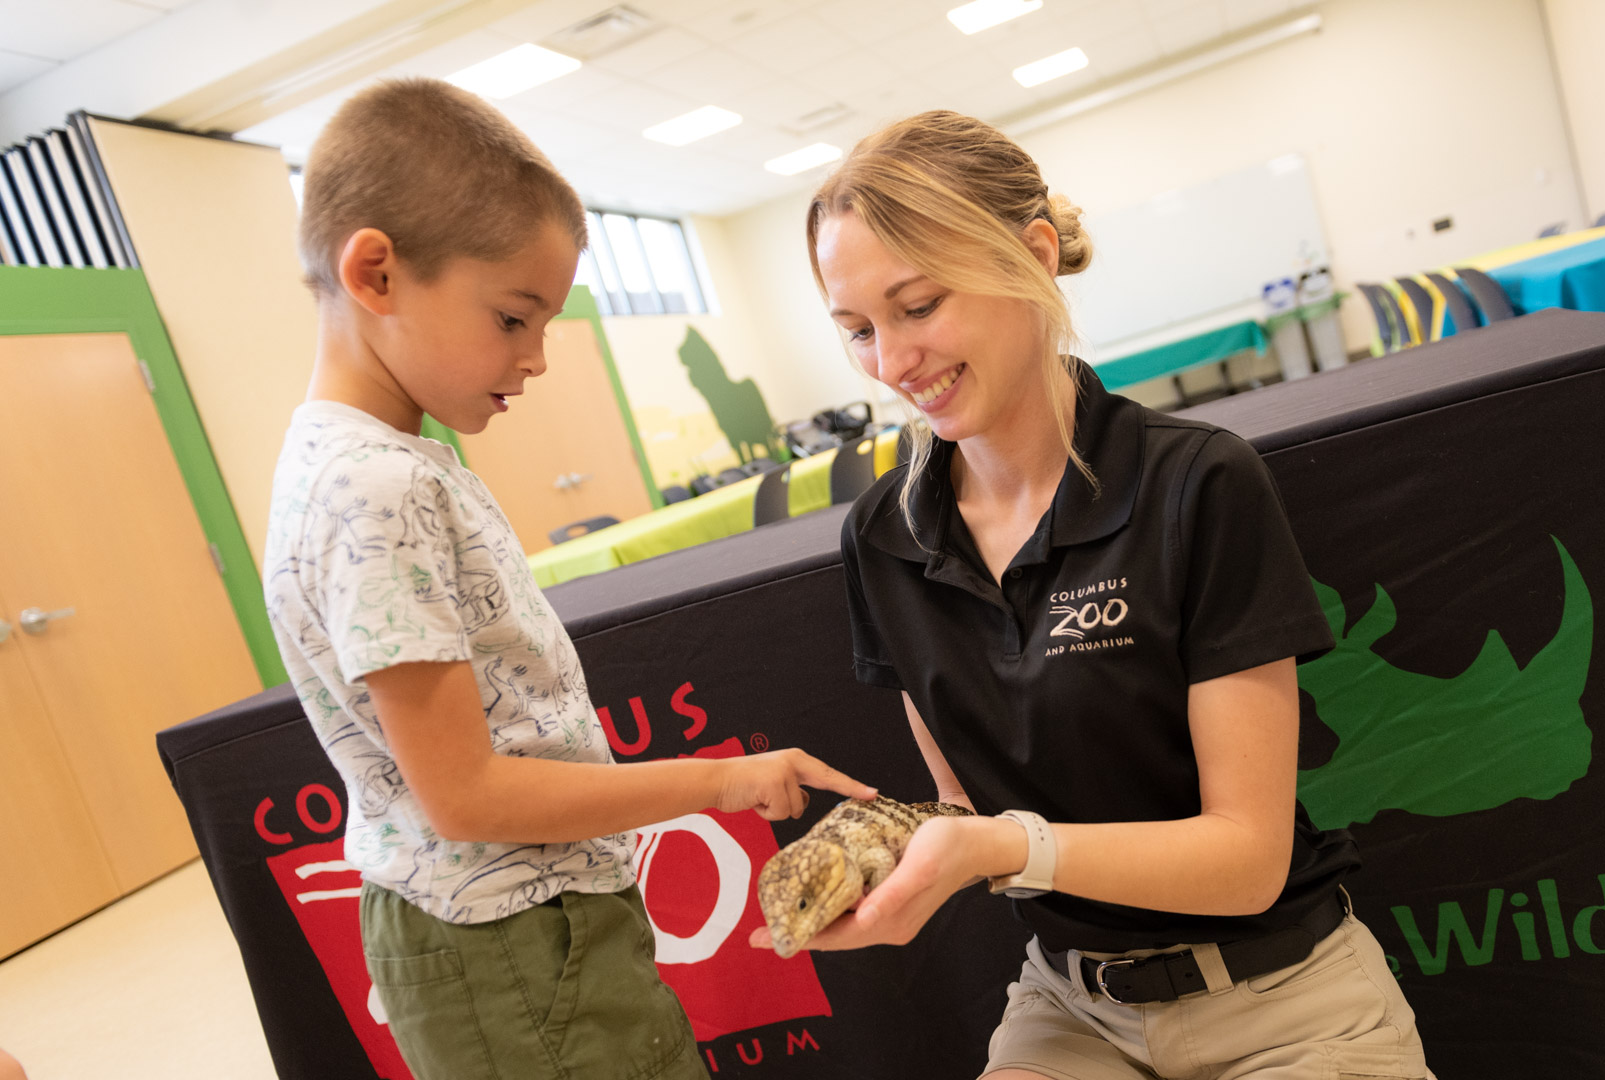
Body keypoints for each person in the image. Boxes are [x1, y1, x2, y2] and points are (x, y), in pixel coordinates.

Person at [752, 110, 1431, 1079]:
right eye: (857, 330)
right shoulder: (885, 540)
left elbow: (1244, 860)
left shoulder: (1196, 483)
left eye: (919, 306)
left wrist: (1001, 850)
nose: (891, 366)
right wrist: (881, 855)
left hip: (1285, 1004)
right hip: (1071, 1008)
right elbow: (961, 807)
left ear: (1030, 256)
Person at [262, 78, 875, 1080]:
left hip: (529, 923)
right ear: (374, 272)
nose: (536, 358)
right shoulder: (371, 483)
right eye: (512, 318)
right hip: (503, 938)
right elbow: (464, 794)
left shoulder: (386, 459)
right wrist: (720, 780)